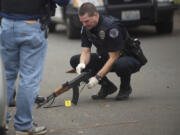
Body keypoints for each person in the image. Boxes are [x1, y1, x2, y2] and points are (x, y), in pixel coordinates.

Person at [0, 0, 69, 134]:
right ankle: (23, 125)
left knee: (5, 77)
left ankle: (2, 120)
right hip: (31, 25)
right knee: (29, 78)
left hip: (6, 24)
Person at [70, 2, 146, 101]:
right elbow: (85, 51)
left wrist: (97, 77)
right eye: (82, 22)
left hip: (126, 57)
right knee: (74, 60)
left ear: (96, 15)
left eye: (86, 21)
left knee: (120, 64)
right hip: (106, 56)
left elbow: (114, 57)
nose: (84, 24)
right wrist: (82, 64)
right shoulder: (86, 27)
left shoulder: (111, 27)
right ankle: (107, 86)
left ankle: (125, 87)